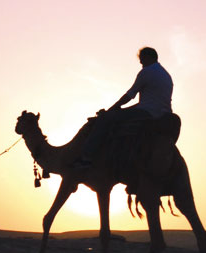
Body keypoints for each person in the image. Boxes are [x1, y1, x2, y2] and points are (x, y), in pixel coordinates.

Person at [73, 46, 177, 175]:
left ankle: (86, 158)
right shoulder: (166, 75)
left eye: (142, 59)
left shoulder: (146, 72)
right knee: (117, 114)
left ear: (149, 57)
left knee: (104, 119)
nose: (140, 63)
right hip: (163, 114)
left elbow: (130, 95)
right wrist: (120, 109)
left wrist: (111, 110)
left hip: (147, 113)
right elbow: (148, 102)